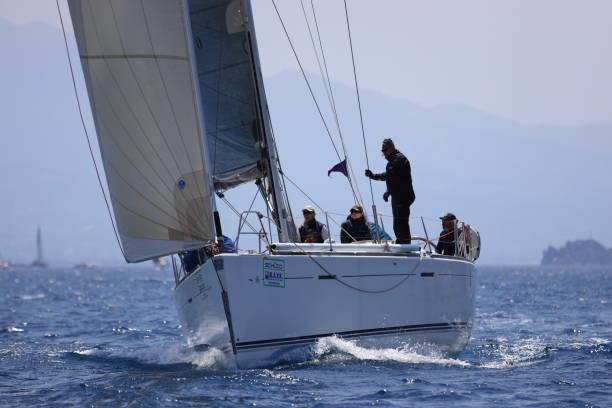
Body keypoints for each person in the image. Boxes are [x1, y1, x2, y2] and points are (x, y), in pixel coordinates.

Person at [365, 139, 416, 244]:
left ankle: (404, 244)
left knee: (400, 222)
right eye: (382, 151)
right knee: (399, 222)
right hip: (399, 194)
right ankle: (403, 242)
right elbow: (396, 178)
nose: (384, 153)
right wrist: (389, 191)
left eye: (385, 150)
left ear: (391, 148)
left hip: (403, 196)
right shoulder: (394, 159)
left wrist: (373, 176)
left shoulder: (398, 159)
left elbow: (389, 175)